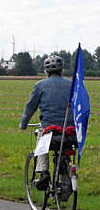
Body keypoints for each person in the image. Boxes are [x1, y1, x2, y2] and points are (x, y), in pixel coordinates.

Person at [19, 55, 74, 190]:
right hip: (71, 132)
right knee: (65, 150)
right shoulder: (72, 85)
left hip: (50, 130)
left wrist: (23, 123)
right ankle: (65, 182)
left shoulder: (40, 86)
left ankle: (44, 173)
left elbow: (30, 107)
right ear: (62, 70)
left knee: (41, 141)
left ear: (46, 71)